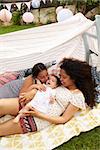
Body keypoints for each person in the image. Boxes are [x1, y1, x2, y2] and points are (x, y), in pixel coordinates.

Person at [0, 58, 96, 136]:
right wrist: (33, 91)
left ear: (74, 78)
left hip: (37, 119)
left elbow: (64, 119)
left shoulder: (77, 96)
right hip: (30, 103)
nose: (61, 79)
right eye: (60, 76)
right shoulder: (59, 83)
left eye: (64, 77)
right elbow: (43, 84)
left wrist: (38, 114)